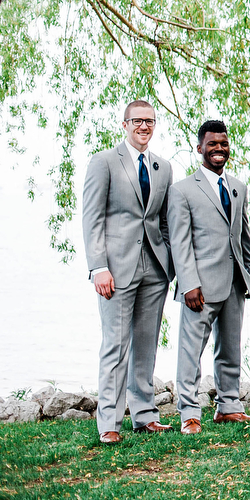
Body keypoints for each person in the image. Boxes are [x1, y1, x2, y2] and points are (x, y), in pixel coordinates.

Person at [82, 100, 175, 444]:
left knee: (146, 346)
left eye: (149, 121)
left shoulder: (163, 167)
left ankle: (145, 415)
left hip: (154, 269)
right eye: (137, 121)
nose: (144, 126)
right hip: (115, 270)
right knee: (115, 345)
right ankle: (109, 422)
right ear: (124, 124)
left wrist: (169, 262)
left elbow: (164, 220)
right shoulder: (104, 161)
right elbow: (92, 218)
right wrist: (98, 267)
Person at [170, 119, 250, 435]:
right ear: (200, 148)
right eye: (212, 144)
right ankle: (189, 414)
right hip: (200, 287)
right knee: (190, 351)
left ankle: (229, 407)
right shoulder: (182, 190)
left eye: (223, 143)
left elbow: (243, 235)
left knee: (230, 348)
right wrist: (188, 284)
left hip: (235, 282)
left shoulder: (238, 187)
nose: (219, 149)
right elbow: (180, 241)